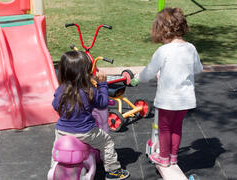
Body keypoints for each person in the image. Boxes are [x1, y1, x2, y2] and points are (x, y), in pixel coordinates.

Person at [131, 7, 203, 167]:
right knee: (176, 127)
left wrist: (137, 78)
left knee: (164, 128)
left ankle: (163, 158)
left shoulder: (163, 51)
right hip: (185, 99)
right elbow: (198, 69)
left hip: (167, 100)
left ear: (163, 31)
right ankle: (173, 156)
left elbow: (149, 72)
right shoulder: (191, 48)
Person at [51, 50, 130, 179]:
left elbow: (55, 106)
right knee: (106, 142)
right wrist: (102, 84)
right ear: (85, 73)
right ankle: (113, 170)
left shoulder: (60, 90)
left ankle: (54, 167)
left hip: (62, 130)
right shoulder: (89, 91)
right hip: (85, 132)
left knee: (56, 148)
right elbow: (103, 103)